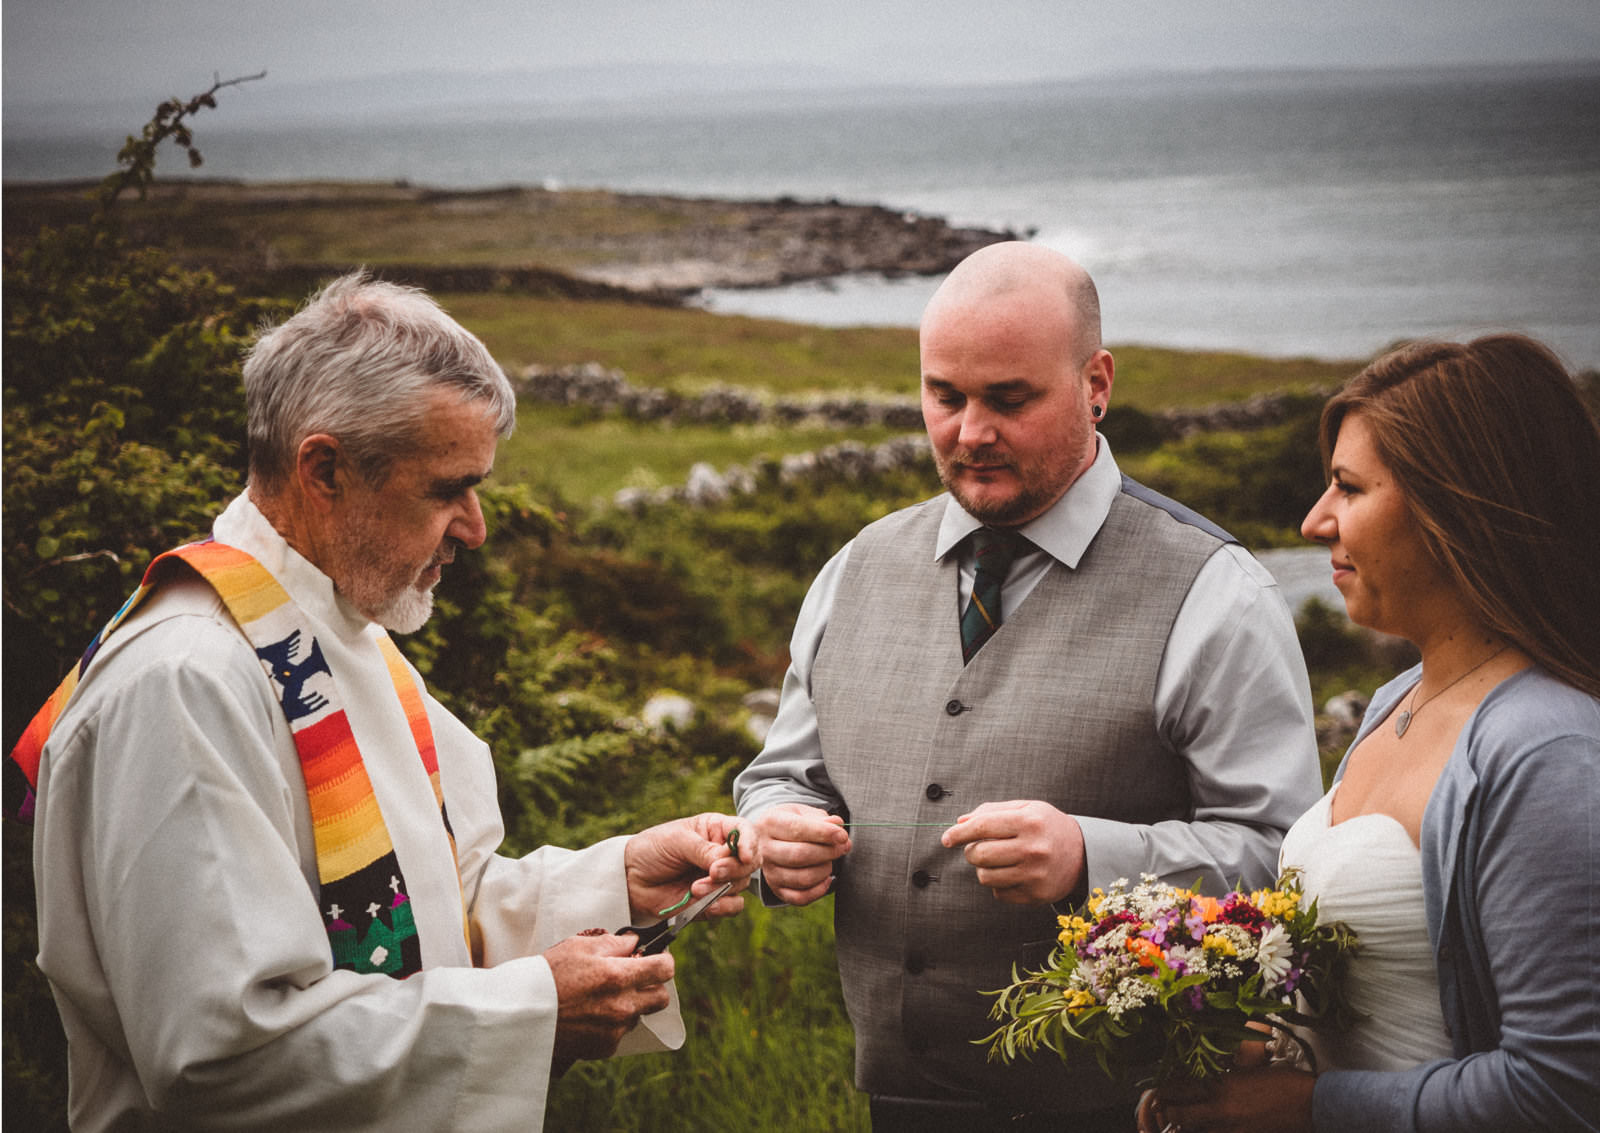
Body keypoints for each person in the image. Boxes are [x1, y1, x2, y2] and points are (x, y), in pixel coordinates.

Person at [9, 272, 758, 1132]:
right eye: (447, 489)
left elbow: (423, 913)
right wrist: (533, 1008)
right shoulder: (185, 683)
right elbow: (220, 1055)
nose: (476, 526)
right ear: (323, 468)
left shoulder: (337, 633)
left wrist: (616, 880)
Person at [732, 241, 1323, 1130]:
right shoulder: (853, 571)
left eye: (1010, 399)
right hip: (897, 1105)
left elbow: (1285, 859)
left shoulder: (1217, 593)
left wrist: (1095, 857)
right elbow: (782, 776)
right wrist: (770, 833)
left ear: (1097, 383)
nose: (970, 431)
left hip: (1132, 1110)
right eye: (945, 396)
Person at [1142, 335, 1600, 1132]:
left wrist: (1311, 1107)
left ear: (1457, 506)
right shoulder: (1396, 699)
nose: (1315, 520)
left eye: (1349, 488)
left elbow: (1561, 1090)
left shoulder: (1545, 749)